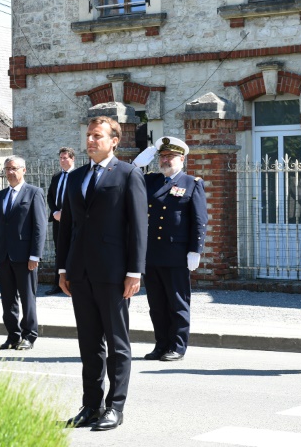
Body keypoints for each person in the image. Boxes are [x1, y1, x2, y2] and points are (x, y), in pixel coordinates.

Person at [57, 116, 147, 431]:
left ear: (113, 141)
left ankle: (115, 407)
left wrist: (134, 272)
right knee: (89, 342)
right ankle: (91, 406)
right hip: (80, 272)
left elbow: (138, 227)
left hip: (113, 273)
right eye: (89, 135)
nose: (91, 140)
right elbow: (67, 226)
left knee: (117, 342)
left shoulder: (127, 174)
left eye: (98, 136)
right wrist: (63, 268)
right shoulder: (76, 176)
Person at [135, 137, 207, 362]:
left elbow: (199, 219)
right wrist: (140, 161)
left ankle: (177, 346)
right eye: (162, 156)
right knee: (156, 305)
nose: (165, 160)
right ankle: (161, 345)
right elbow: (128, 176)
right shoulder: (151, 180)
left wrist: (196, 249)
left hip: (177, 254)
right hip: (152, 253)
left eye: (170, 157)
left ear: (181, 159)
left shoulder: (191, 182)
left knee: (177, 303)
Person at [0, 156, 47, 351]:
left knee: (28, 298)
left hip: (25, 256)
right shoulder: (0, 195)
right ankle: (13, 335)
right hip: (3, 256)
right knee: (8, 298)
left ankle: (29, 335)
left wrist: (35, 255)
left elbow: (40, 226)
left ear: (23, 170)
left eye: (14, 168)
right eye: (7, 169)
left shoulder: (34, 193)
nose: (10, 172)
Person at [45, 147, 76, 295]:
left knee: (73, 250)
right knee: (59, 251)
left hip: (73, 220)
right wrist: (55, 212)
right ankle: (58, 283)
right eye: (61, 158)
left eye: (66, 158)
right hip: (57, 219)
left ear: (72, 159)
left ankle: (74, 282)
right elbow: (50, 196)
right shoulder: (56, 176)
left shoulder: (78, 175)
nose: (63, 161)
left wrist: (67, 212)